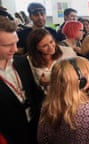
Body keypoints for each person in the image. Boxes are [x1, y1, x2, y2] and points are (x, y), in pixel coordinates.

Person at [0, 16, 43, 144]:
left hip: (35, 129)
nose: (14, 49)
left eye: (16, 43)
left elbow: (33, 92)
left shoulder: (22, 62)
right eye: (8, 45)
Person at [26, 28, 77, 95]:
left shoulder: (67, 52)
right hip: (45, 98)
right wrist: (39, 83)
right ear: (36, 48)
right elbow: (33, 82)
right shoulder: (30, 59)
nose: (51, 47)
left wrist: (50, 82)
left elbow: (77, 75)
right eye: (44, 46)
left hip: (68, 95)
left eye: (51, 42)